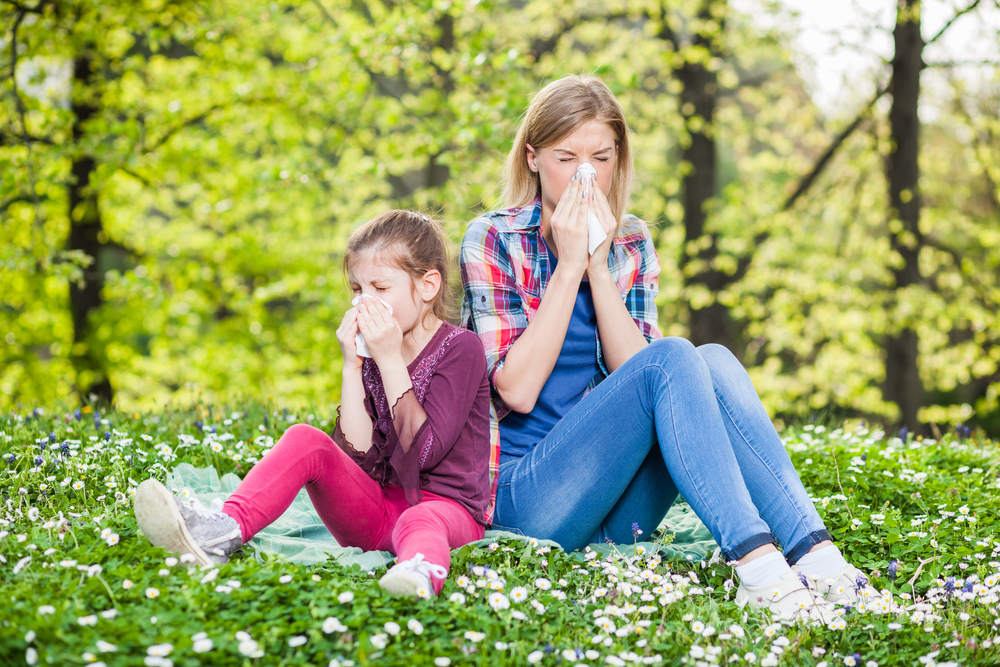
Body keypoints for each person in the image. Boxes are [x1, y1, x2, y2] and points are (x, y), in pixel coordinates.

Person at [460, 75, 884, 621]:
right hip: (528, 501)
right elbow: (514, 391)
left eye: (600, 157)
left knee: (711, 361)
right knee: (677, 354)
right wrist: (568, 267)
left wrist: (597, 263)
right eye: (566, 158)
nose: (585, 175)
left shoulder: (630, 239)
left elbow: (646, 380)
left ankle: (818, 558)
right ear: (534, 158)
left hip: (613, 504)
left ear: (618, 160)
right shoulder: (494, 238)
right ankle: (756, 567)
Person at [135, 210, 495, 598]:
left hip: (448, 513)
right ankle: (221, 532)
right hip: (378, 516)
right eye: (358, 290)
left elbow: (423, 453)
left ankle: (418, 573)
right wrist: (352, 364)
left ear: (427, 287)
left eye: (380, 288)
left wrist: (390, 359)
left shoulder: (460, 348)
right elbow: (356, 459)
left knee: (422, 519)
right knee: (306, 438)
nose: (365, 302)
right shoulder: (373, 355)